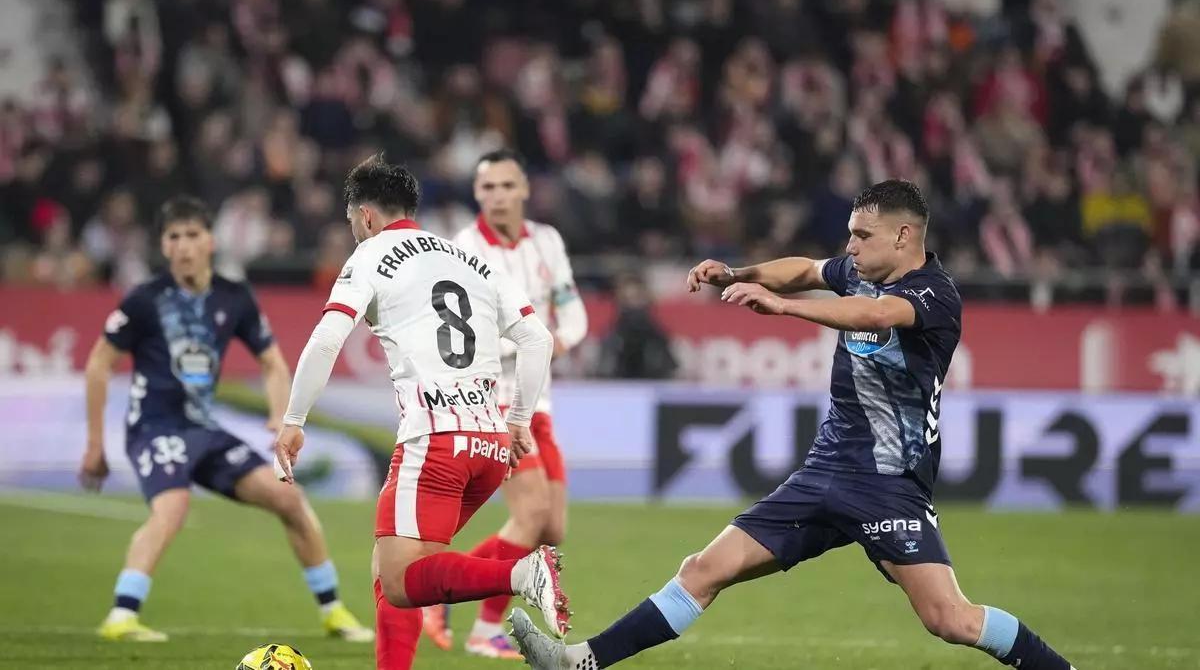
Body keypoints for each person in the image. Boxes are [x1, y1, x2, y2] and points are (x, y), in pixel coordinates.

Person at [509, 180, 1076, 670]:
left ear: (904, 237)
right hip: (824, 471)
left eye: (863, 236)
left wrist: (784, 308)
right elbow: (805, 269)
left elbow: (876, 315)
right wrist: (740, 272)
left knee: (949, 619)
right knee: (703, 569)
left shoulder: (934, 294)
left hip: (888, 486)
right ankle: (580, 660)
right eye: (851, 235)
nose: (850, 248)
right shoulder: (855, 271)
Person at [272, 155, 571, 670]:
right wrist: (518, 417)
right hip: (490, 444)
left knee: (401, 580)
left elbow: (326, 340)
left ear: (365, 217)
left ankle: (520, 575)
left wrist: (294, 420)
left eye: (351, 223)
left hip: (435, 440)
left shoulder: (370, 255)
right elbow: (537, 339)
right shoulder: (469, 258)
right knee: (398, 568)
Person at [80, 196, 372, 643]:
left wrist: (280, 416)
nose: (183, 246)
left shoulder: (233, 297)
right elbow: (99, 364)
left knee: (289, 501)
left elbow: (273, 363)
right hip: (155, 426)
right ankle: (121, 615)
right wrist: (96, 444)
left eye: (192, 235)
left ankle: (334, 612)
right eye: (173, 237)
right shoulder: (144, 299)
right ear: (164, 244)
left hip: (204, 430)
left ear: (210, 241)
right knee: (172, 507)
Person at [418, 148, 587, 659]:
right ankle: (481, 626)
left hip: (541, 399)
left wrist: (561, 341)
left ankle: (440, 587)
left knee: (551, 528)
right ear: (476, 194)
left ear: (524, 190)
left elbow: (572, 308)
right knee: (531, 512)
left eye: (506, 186)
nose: (497, 196)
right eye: (487, 187)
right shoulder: (463, 249)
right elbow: (461, 336)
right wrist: (531, 340)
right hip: (493, 400)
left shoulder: (548, 242)